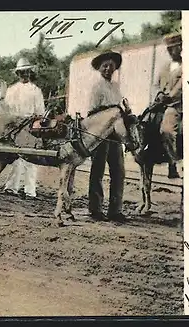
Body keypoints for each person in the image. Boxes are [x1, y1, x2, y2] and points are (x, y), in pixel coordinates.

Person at [68, 51, 128, 222]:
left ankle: (115, 210)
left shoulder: (116, 86)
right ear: (100, 68)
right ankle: (95, 209)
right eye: (105, 66)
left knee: (119, 171)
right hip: (101, 134)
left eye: (111, 65)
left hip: (115, 134)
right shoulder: (97, 87)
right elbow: (93, 112)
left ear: (115, 67)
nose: (108, 68)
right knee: (98, 170)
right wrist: (110, 112)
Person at [0, 58, 46, 200]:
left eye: (26, 72)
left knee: (32, 158)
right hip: (15, 126)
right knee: (16, 157)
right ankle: (12, 187)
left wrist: (36, 124)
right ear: (17, 73)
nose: (24, 75)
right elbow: (6, 109)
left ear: (29, 73)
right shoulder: (12, 90)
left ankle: (30, 190)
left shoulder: (35, 90)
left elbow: (40, 112)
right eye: (21, 72)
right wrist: (1, 100)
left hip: (30, 126)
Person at [153, 32, 183, 179]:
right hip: (162, 103)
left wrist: (169, 97)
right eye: (169, 49)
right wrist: (158, 94)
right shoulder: (166, 66)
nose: (171, 51)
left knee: (167, 130)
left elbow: (181, 86)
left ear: (181, 47)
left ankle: (173, 163)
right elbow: (156, 84)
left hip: (177, 105)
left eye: (174, 48)